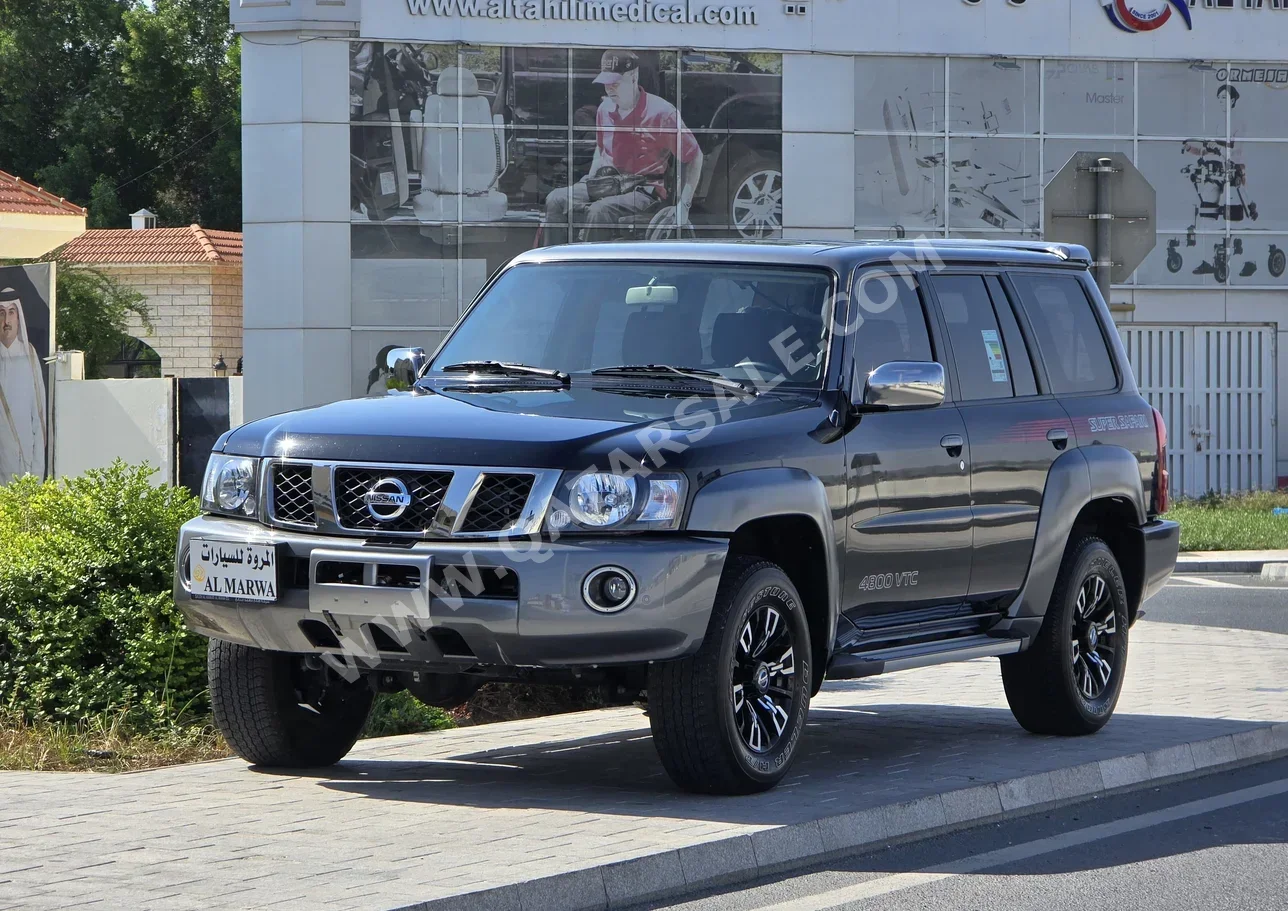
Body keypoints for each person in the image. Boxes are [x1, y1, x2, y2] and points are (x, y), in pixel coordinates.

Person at [544, 50, 703, 244]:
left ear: (634, 77)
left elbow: (694, 157)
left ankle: (592, 267)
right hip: (608, 183)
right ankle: (556, 263)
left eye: (615, 84)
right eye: (606, 84)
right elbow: (601, 152)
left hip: (644, 190)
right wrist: (590, 180)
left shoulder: (662, 113)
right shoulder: (604, 109)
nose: (609, 89)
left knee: (599, 211)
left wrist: (683, 206)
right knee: (556, 199)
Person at [0, 288, 47, 482]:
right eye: (1, 313)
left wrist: (37, 467)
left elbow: (38, 413)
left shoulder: (28, 354)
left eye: (11, 312)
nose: (6, 321)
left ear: (19, 318)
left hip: (24, 457)